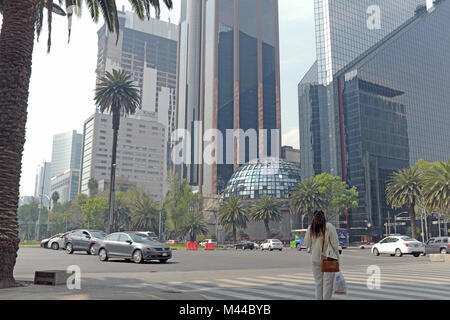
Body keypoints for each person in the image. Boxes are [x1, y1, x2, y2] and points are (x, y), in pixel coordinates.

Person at [304, 210, 340, 300]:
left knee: (318, 284)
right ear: (324, 217)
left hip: (315, 259)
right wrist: (337, 258)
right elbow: (335, 244)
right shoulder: (329, 227)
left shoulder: (310, 228)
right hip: (329, 258)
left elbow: (307, 244)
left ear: (314, 217)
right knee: (328, 285)